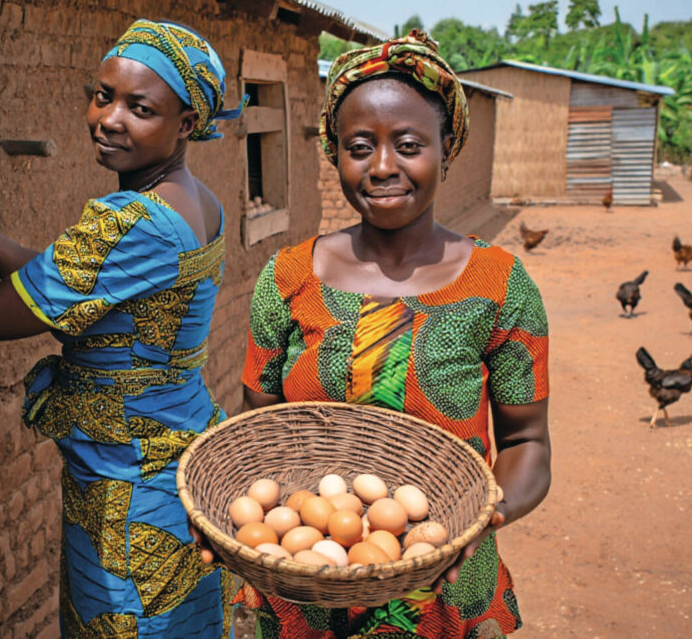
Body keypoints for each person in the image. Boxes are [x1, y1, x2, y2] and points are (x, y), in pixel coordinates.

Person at [0, 19, 244, 638]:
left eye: (139, 108)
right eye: (102, 95)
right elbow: (67, 281)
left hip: (131, 489)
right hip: (172, 457)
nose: (108, 119)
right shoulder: (197, 201)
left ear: (186, 123)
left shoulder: (133, 220)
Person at [234, 31, 551, 638]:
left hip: (442, 589)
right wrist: (240, 524)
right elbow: (259, 435)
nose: (382, 167)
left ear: (447, 147)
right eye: (360, 147)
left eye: (408, 145)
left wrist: (481, 519)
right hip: (301, 587)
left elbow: (528, 443)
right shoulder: (288, 278)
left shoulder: (499, 285)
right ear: (333, 153)